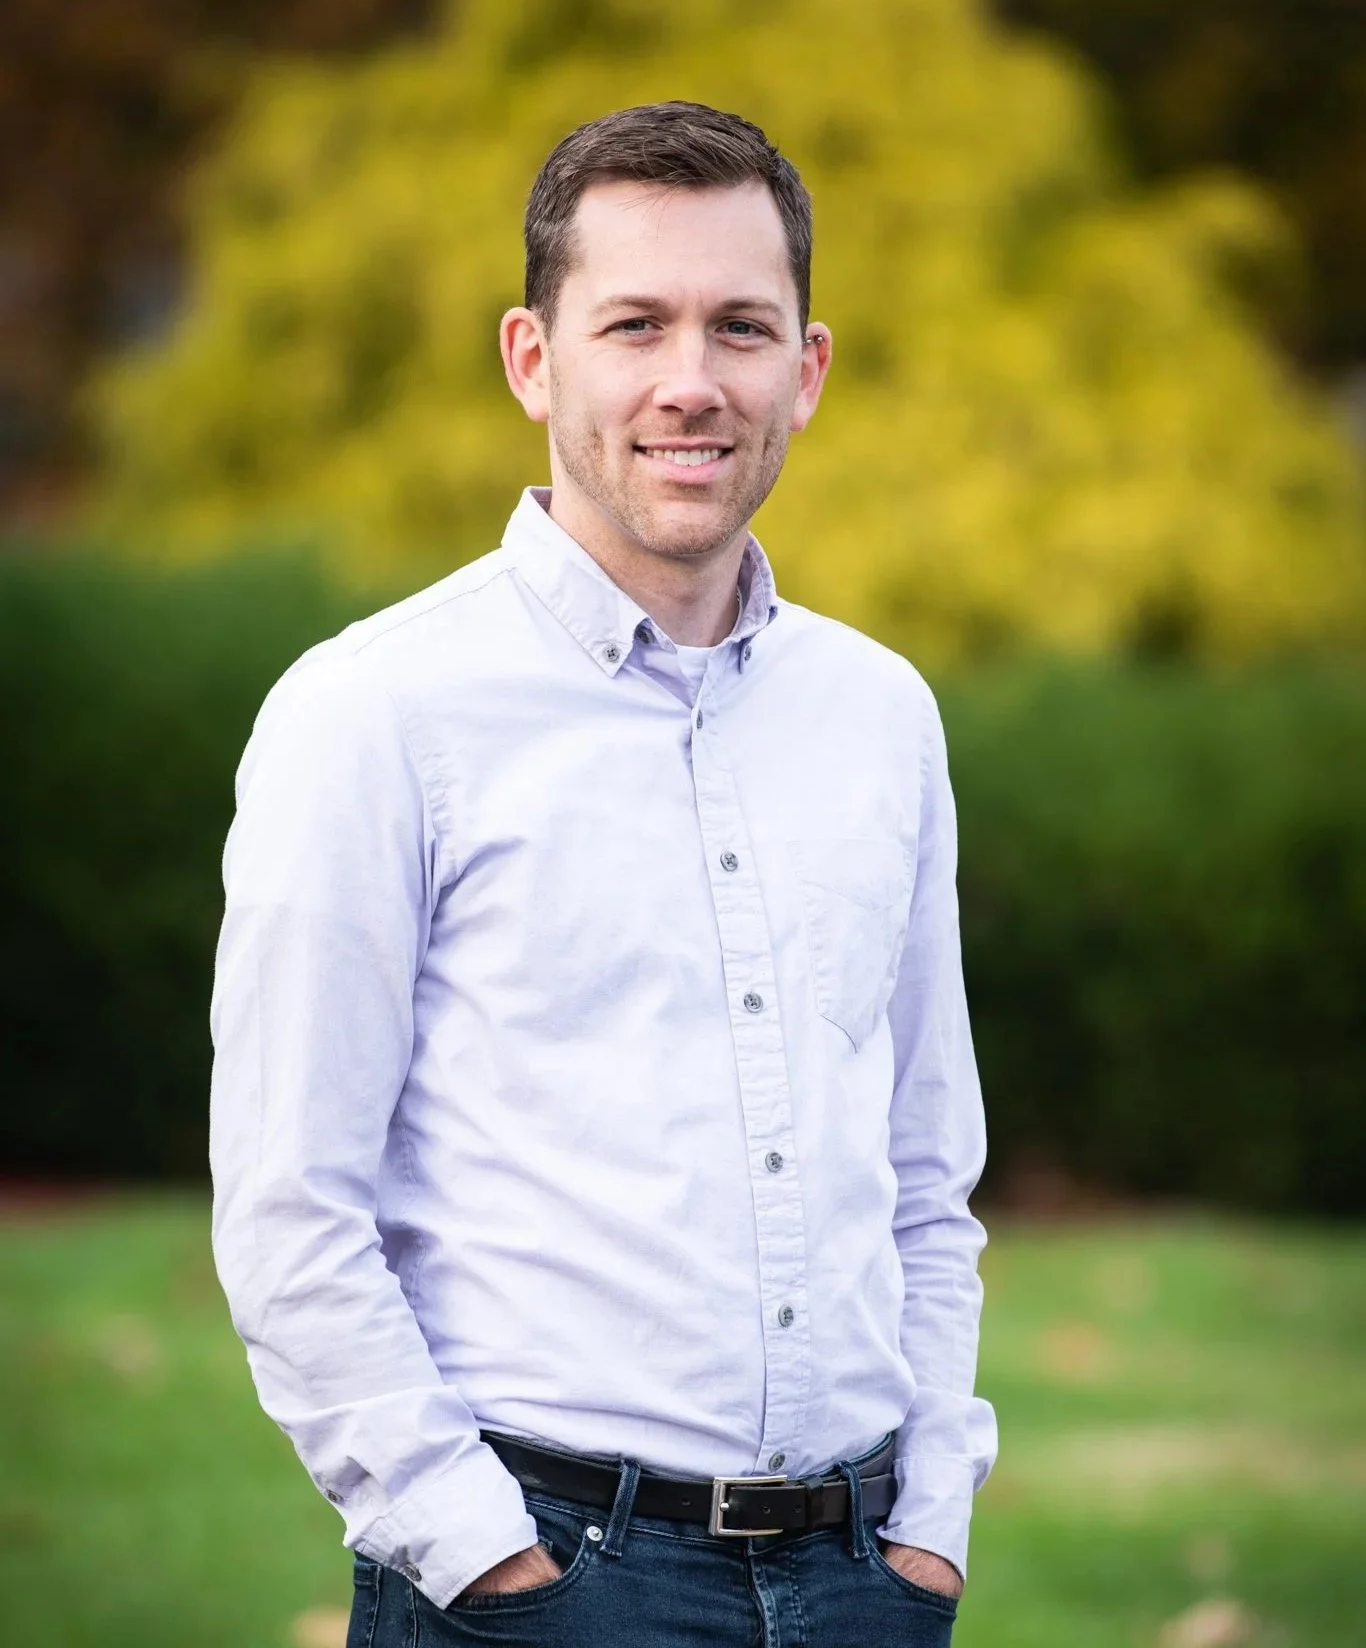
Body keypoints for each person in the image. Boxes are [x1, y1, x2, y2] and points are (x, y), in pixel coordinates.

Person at [210, 100, 996, 1648]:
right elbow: (292, 1207)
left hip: (861, 1584)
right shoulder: (372, 712)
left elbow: (922, 1175)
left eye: (740, 328)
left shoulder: (881, 715)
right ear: (531, 359)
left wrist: (928, 1531)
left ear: (807, 370)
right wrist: (483, 1561)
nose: (690, 383)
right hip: (545, 1579)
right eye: (633, 324)